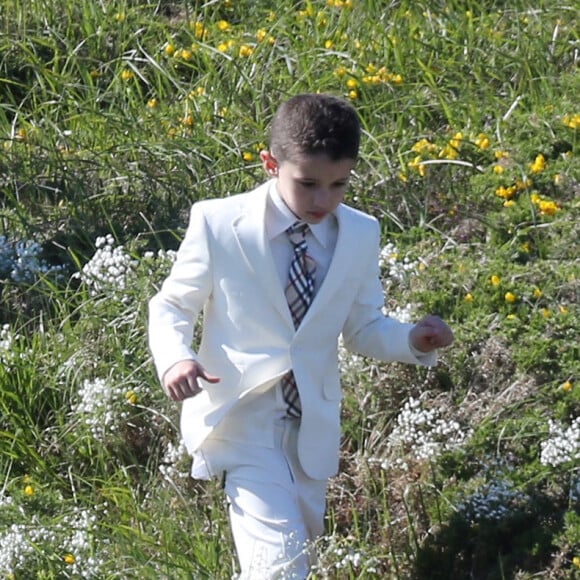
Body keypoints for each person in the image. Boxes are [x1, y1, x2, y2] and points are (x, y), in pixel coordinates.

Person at [148, 93, 454, 579]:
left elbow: (363, 328)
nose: (322, 200)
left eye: (338, 185)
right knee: (280, 567)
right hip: (241, 421)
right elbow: (171, 305)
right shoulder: (218, 222)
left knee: (294, 559)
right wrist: (175, 359)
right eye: (308, 183)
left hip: (311, 426)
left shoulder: (359, 233)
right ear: (271, 163)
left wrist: (413, 340)